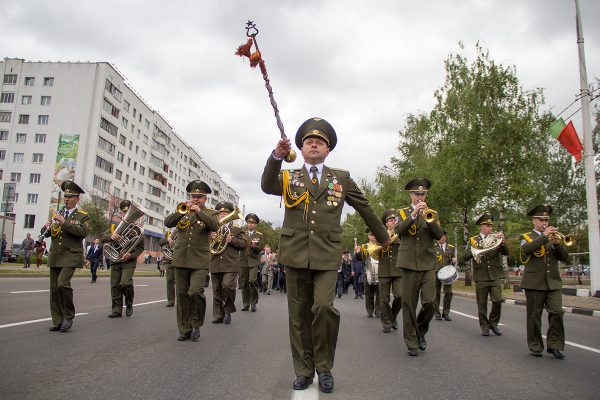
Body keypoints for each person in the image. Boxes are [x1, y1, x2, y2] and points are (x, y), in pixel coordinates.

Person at [261, 117, 389, 393]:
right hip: (295, 254)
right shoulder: (288, 176)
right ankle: (304, 370)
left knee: (323, 309)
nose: (314, 144)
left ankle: (324, 366)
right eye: (309, 141)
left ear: (328, 149)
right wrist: (276, 157)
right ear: (302, 148)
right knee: (298, 315)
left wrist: (385, 239)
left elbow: (364, 207)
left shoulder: (340, 178)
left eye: (320, 141)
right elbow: (266, 185)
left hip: (327, 255)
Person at [164, 180, 219, 342]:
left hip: (199, 260)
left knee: (195, 292)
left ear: (205, 199)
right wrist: (181, 213)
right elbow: (168, 223)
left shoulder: (209, 213)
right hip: (181, 258)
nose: (195, 199)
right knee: (181, 295)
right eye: (193, 196)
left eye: (199, 197)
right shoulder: (182, 209)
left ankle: (196, 324)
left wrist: (198, 212)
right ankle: (184, 328)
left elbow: (214, 226)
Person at [394, 177, 443, 356]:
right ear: (410, 195)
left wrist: (428, 220)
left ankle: (420, 332)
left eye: (422, 194)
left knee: (430, 302)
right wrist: (414, 214)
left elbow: (438, 235)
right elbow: (398, 231)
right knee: (408, 304)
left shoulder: (433, 213)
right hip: (408, 263)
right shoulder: (402, 212)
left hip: (428, 263)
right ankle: (412, 342)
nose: (420, 197)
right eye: (417, 194)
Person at [519, 204, 569, 359]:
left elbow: (564, 257)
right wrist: (544, 236)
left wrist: (557, 245)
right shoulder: (526, 237)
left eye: (546, 220)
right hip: (534, 283)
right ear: (534, 221)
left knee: (557, 312)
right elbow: (526, 250)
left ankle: (554, 345)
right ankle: (535, 345)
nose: (544, 223)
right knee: (534, 315)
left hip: (553, 282)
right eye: (541, 220)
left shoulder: (553, 237)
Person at [42, 180, 89, 332]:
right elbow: (53, 233)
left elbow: (83, 233)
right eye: (65, 196)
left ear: (77, 198)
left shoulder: (83, 215)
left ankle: (68, 315)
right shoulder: (58, 213)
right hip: (56, 255)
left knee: (62, 284)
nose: (66, 199)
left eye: (70, 196)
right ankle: (58, 320)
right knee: (54, 289)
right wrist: (46, 228)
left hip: (71, 255)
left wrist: (65, 223)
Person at [463, 212, 508, 336]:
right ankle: (484, 326)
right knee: (482, 304)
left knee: (498, 300)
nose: (490, 228)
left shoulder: (496, 238)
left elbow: (505, 252)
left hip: (494, 275)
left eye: (491, 226)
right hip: (481, 276)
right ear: (481, 227)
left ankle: (493, 323)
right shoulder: (473, 240)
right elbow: (465, 257)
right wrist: (476, 248)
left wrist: (503, 242)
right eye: (487, 226)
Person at [101, 200, 144, 319]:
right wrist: (111, 236)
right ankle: (116, 310)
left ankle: (129, 302)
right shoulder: (114, 227)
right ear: (121, 214)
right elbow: (102, 238)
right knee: (115, 285)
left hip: (128, 261)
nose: (126, 214)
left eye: (128, 212)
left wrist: (131, 255)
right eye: (124, 212)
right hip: (115, 260)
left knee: (125, 283)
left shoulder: (137, 229)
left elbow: (140, 248)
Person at [209, 201, 247, 325]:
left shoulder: (237, 229)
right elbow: (204, 244)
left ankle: (228, 310)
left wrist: (233, 240)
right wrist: (210, 238)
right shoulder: (212, 228)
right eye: (220, 213)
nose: (222, 215)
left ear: (230, 214)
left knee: (228, 286)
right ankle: (218, 315)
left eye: (225, 213)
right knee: (217, 290)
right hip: (215, 262)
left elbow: (244, 244)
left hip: (230, 263)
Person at [377, 209, 402, 333]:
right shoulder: (380, 234)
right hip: (384, 270)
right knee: (384, 299)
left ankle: (393, 316)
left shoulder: (401, 233)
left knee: (400, 296)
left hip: (398, 270)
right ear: (386, 223)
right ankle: (387, 322)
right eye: (391, 220)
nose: (393, 222)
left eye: (395, 220)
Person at [355, 229, 381, 318]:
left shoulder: (381, 245)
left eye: (374, 234)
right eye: (371, 234)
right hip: (369, 272)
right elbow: (359, 259)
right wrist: (358, 253)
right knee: (369, 293)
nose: (373, 236)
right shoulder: (364, 246)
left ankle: (378, 310)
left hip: (380, 271)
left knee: (380, 293)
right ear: (368, 236)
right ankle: (370, 310)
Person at [241, 213, 262, 312]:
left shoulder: (259, 235)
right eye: (249, 222)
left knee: (252, 281)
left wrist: (254, 246)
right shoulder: (241, 233)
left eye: (252, 223)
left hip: (254, 261)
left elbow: (260, 248)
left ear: (256, 224)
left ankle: (253, 303)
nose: (250, 224)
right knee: (244, 283)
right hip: (243, 261)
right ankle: (246, 303)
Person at [434, 231, 456, 321]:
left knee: (448, 293)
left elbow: (453, 260)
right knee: (436, 294)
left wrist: (454, 260)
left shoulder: (450, 248)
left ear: (445, 237)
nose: (440, 238)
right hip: (435, 272)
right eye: (438, 236)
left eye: (442, 236)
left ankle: (446, 313)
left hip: (446, 274)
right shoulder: (433, 247)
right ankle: (437, 313)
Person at [159, 229, 176, 307]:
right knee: (169, 280)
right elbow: (160, 243)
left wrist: (175, 243)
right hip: (169, 260)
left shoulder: (181, 229)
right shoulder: (168, 232)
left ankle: (183, 300)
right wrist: (167, 239)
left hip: (179, 259)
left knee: (180, 282)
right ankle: (171, 300)